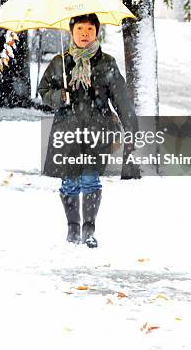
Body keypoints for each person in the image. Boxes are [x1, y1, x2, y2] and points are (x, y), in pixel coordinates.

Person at [38, 13, 140, 248]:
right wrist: (58, 96)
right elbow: (43, 91)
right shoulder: (60, 63)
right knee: (70, 181)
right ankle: (73, 228)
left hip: (98, 131)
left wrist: (131, 127)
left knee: (90, 179)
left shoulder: (107, 63)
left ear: (97, 32)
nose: (85, 34)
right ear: (71, 32)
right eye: (80, 29)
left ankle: (89, 230)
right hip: (68, 131)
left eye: (90, 30)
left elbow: (121, 99)